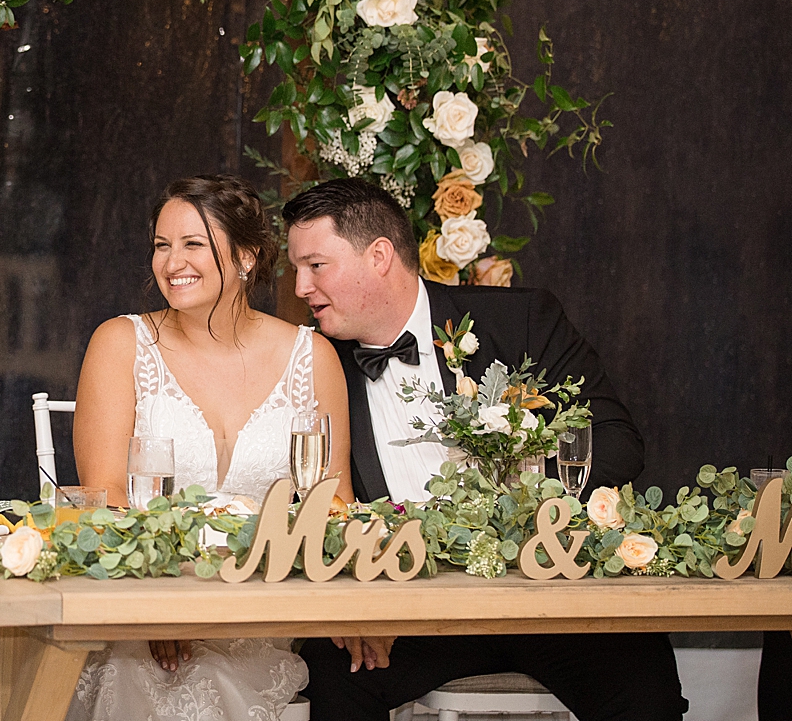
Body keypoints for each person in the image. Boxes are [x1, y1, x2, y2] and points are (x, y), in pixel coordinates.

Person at [283, 177, 688, 721]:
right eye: (296, 269)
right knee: (333, 683)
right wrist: (358, 605)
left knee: (644, 693)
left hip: (548, 593)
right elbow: (315, 500)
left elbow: (617, 444)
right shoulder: (314, 362)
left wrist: (517, 478)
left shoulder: (521, 321)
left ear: (378, 256)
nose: (301, 287)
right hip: (409, 612)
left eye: (315, 266)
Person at [69, 174, 354, 721]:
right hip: (143, 598)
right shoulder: (121, 343)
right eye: (161, 245)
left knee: (213, 676)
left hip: (263, 612)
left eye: (192, 244)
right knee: (146, 676)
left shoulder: (311, 357)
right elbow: (104, 497)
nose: (171, 261)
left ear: (246, 256)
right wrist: (161, 613)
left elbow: (332, 502)